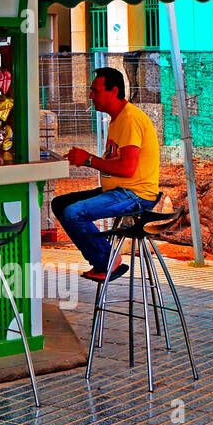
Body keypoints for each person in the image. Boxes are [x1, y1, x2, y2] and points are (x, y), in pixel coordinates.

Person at [54, 66, 162, 282]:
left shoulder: (130, 119)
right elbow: (115, 163)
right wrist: (88, 159)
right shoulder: (117, 119)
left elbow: (126, 169)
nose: (91, 96)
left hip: (135, 194)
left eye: (95, 90)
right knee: (60, 204)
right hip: (120, 191)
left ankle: (108, 260)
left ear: (113, 92)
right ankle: (103, 259)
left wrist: (88, 160)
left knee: (74, 213)